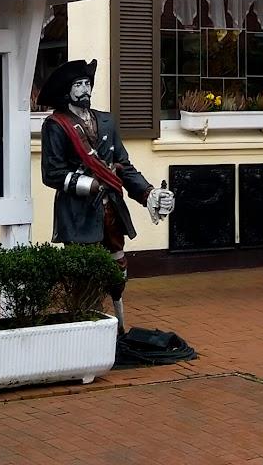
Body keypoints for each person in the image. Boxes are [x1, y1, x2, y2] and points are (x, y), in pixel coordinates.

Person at [39, 58, 174, 331]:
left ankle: (118, 326)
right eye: (78, 84)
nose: (85, 89)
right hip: (78, 213)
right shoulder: (56, 125)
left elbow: (123, 166)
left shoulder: (106, 121)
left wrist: (149, 193)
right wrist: (87, 184)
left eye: (87, 83)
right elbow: (51, 173)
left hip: (111, 208)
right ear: (67, 90)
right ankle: (85, 325)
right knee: (83, 271)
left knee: (116, 266)